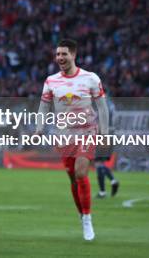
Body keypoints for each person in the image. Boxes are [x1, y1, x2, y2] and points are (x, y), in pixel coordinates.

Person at [35, 39, 109, 241]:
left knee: (81, 171)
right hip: (64, 135)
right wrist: (39, 127)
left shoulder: (90, 78)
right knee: (73, 179)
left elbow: (102, 106)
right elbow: (43, 107)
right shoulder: (51, 81)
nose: (60, 58)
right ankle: (81, 212)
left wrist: (104, 131)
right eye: (58, 54)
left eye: (64, 54)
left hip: (87, 131)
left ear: (73, 55)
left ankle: (87, 219)